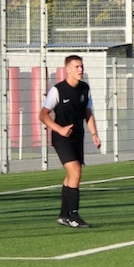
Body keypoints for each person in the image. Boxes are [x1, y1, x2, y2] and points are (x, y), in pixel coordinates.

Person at [39, 54, 101, 228]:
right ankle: (74, 216)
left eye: (82, 66)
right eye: (76, 67)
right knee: (75, 172)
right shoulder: (57, 90)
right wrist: (59, 129)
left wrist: (94, 134)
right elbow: (43, 115)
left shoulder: (85, 88)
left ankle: (63, 215)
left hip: (77, 137)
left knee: (71, 175)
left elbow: (88, 113)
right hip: (61, 138)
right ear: (67, 69)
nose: (80, 69)